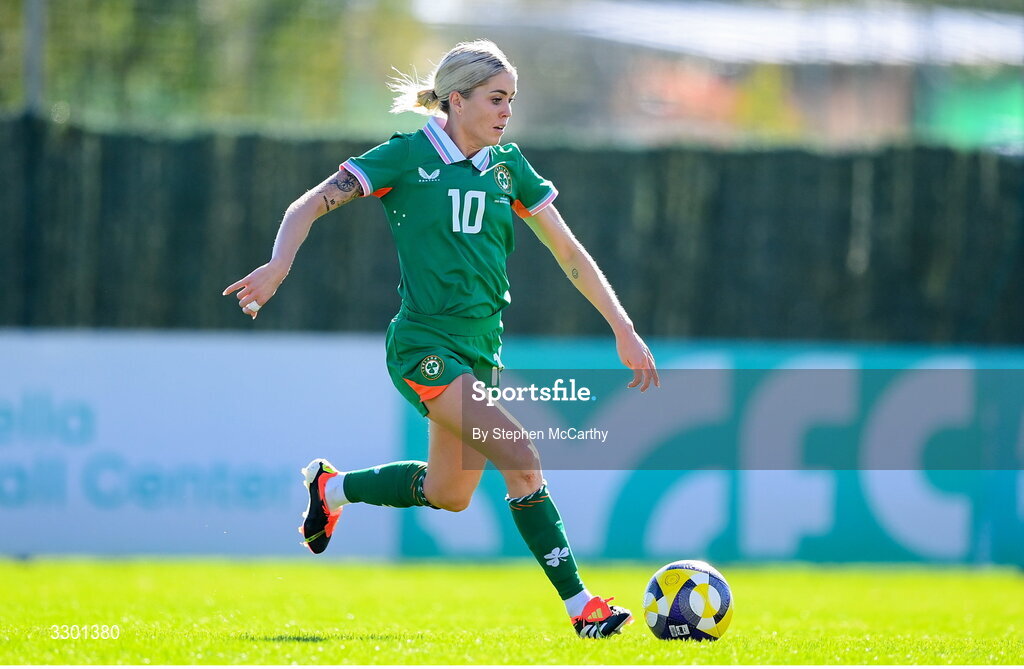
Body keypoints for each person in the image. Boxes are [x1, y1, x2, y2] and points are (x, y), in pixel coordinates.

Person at [223, 39, 659, 639]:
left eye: (512, 100)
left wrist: (623, 328)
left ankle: (332, 488)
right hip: (424, 346)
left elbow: (568, 251)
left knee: (449, 493)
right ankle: (582, 606)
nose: (507, 111)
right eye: (496, 98)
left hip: (481, 350)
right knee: (522, 458)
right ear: (456, 100)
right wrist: (278, 266)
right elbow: (308, 205)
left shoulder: (509, 166)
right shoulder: (405, 157)